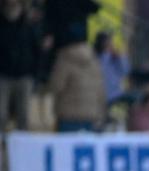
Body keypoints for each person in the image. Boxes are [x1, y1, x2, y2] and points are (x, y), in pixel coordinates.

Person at [48, 25, 105, 131]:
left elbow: (56, 86)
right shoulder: (94, 59)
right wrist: (101, 113)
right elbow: (101, 89)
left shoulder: (64, 58)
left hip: (68, 115)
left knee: (65, 146)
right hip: (91, 115)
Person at [0, 0, 40, 131]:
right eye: (9, 5)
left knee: (23, 114)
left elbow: (36, 51)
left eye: (15, 5)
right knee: (1, 114)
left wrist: (35, 74)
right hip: (3, 76)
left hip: (24, 76)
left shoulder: (29, 27)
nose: (12, 8)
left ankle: (22, 144)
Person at [93, 31, 128, 105]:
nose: (110, 44)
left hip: (114, 95)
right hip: (97, 96)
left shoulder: (114, 56)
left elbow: (125, 71)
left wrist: (120, 57)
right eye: (107, 42)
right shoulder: (94, 56)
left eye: (110, 42)